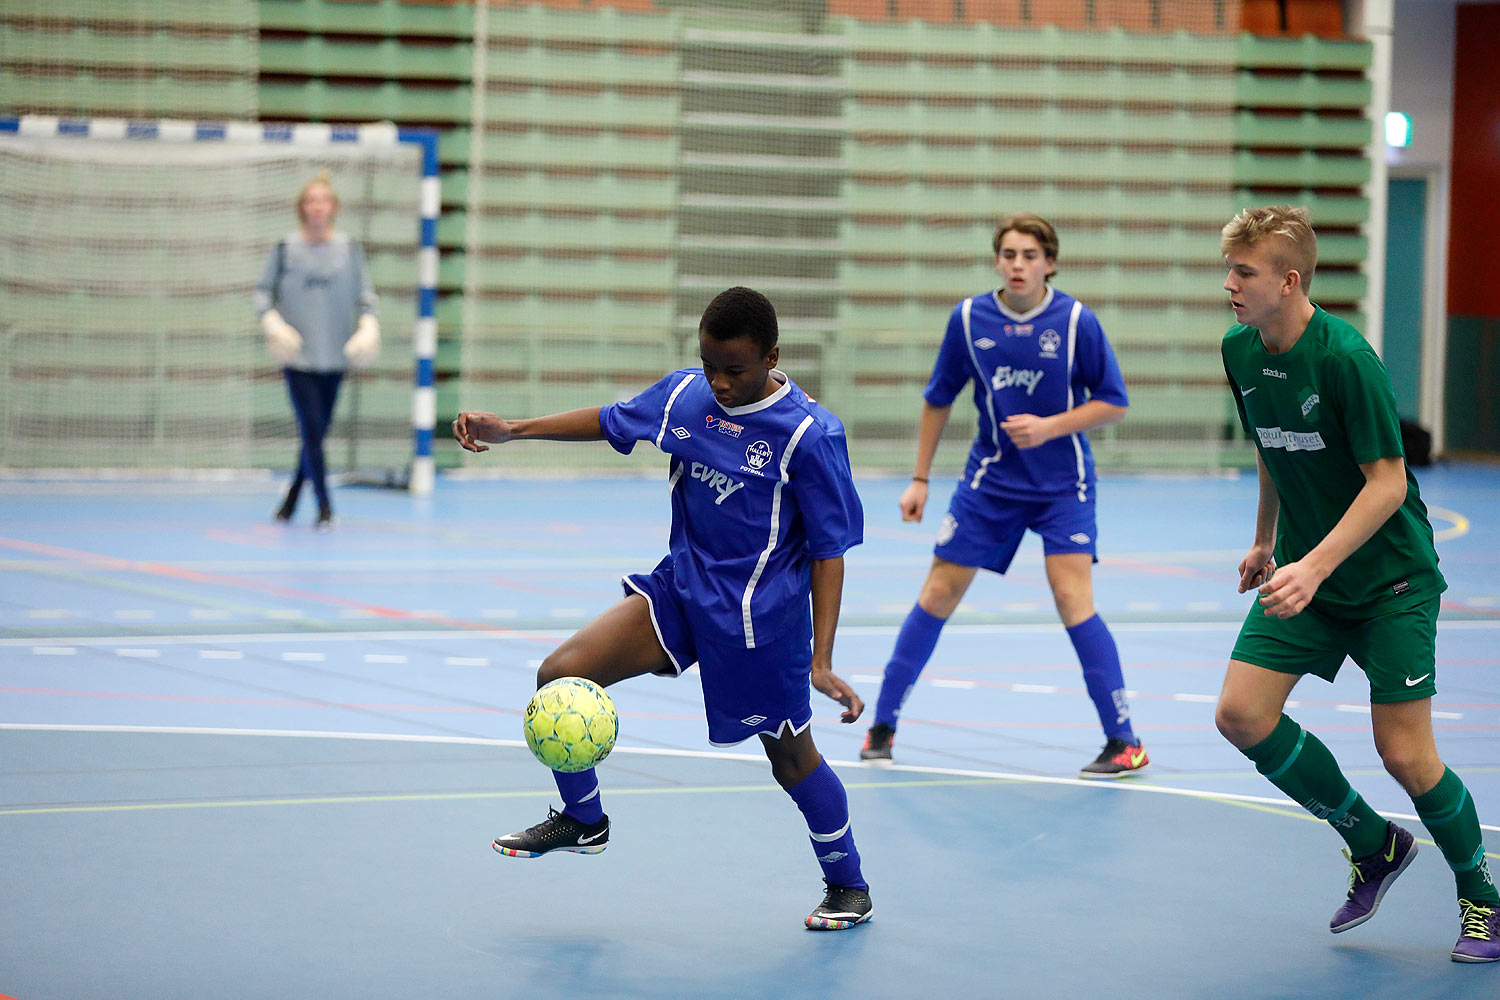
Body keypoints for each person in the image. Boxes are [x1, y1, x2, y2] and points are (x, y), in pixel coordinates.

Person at [452, 286, 874, 931]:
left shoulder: (810, 437)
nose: (720, 382)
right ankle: (583, 819)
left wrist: (821, 658)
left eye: (735, 369)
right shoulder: (686, 396)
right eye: (710, 366)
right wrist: (514, 430)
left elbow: (830, 552)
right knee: (561, 674)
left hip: (759, 620)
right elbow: (613, 418)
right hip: (683, 589)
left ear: (772, 357)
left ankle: (848, 886)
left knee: (790, 758)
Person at [1214, 205, 1499, 962]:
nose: (1230, 285)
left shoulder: (1345, 359)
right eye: (1230, 269)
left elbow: (1386, 483)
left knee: (1405, 755)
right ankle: (1373, 845)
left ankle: (1483, 898)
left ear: (1290, 280)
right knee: (1241, 715)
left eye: (1245, 273)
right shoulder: (1240, 352)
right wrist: (1267, 538)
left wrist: (1314, 564)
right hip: (1308, 573)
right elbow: (1274, 447)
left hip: (1389, 582)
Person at [859, 213, 1146, 779]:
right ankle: (883, 726)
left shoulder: (1075, 322)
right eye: (1009, 254)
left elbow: (1113, 402)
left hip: (1063, 484)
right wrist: (920, 477)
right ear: (997, 260)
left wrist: (1050, 426)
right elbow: (938, 397)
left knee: (1072, 599)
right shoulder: (969, 320)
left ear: (1050, 263)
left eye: (1030, 255)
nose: (1019, 264)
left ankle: (1124, 741)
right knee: (938, 593)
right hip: (990, 482)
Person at [253, 171, 380, 529]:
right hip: (299, 358)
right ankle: (325, 507)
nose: (317, 207)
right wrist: (273, 324)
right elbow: (262, 293)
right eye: (311, 200)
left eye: (323, 200)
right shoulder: (285, 248)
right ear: (302, 208)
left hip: (336, 356)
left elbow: (367, 298)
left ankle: (291, 499)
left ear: (333, 207)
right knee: (311, 431)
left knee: (316, 434)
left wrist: (369, 326)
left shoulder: (350, 251)